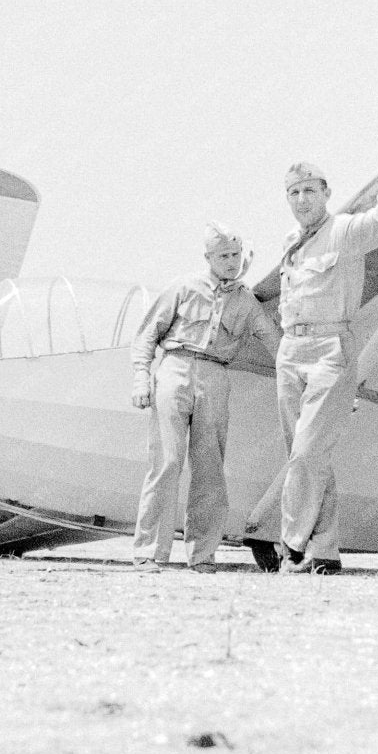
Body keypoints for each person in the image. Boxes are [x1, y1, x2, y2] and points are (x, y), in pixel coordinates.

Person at [245, 151, 378, 575]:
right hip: (291, 352)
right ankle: (327, 552)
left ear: (326, 193)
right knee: (308, 457)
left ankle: (293, 546)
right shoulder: (290, 243)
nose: (302, 200)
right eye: (294, 193)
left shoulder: (344, 231)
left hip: (331, 350)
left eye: (309, 191)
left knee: (305, 453)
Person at [130, 223, 280, 570]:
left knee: (210, 469)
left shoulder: (246, 302)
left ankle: (202, 554)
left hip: (215, 375)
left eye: (236, 255)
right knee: (166, 463)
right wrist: (141, 379)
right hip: (175, 369)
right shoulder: (183, 287)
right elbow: (147, 334)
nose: (231, 262)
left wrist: (308, 379)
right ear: (208, 258)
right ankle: (149, 552)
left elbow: (276, 346)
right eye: (223, 256)